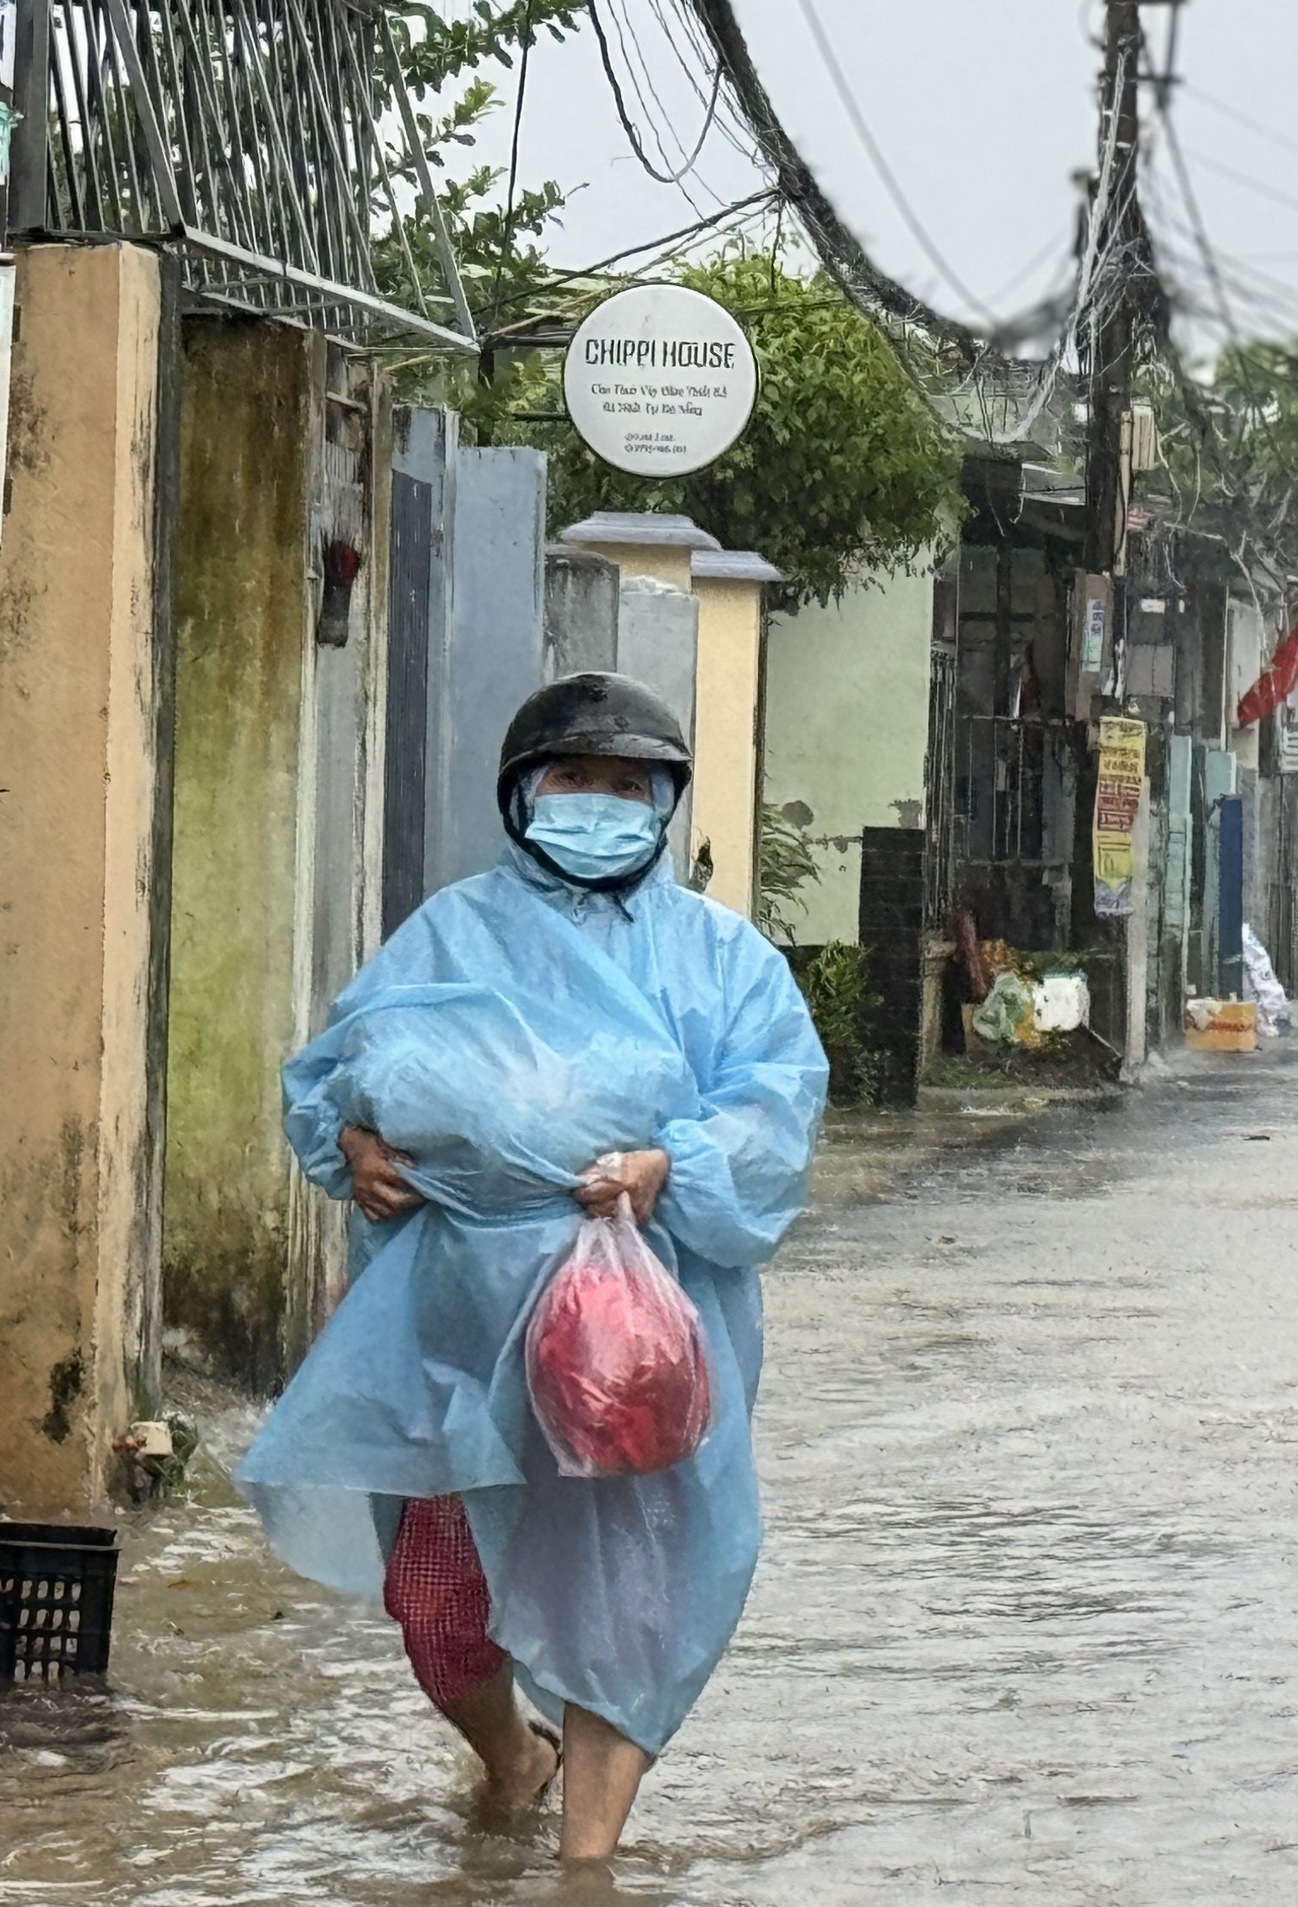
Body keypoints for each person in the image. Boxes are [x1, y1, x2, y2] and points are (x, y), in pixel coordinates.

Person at [234, 674, 827, 1864]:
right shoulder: (450, 931)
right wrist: (349, 1147)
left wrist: (672, 1164)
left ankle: (586, 1866)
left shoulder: (721, 960)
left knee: (627, 1601)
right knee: (441, 1613)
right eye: (574, 780)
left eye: (627, 785)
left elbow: (775, 1116)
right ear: (522, 796)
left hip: (638, 1352)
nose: (601, 804)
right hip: (456, 1339)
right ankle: (513, 1754)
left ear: (663, 802)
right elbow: (334, 1073)